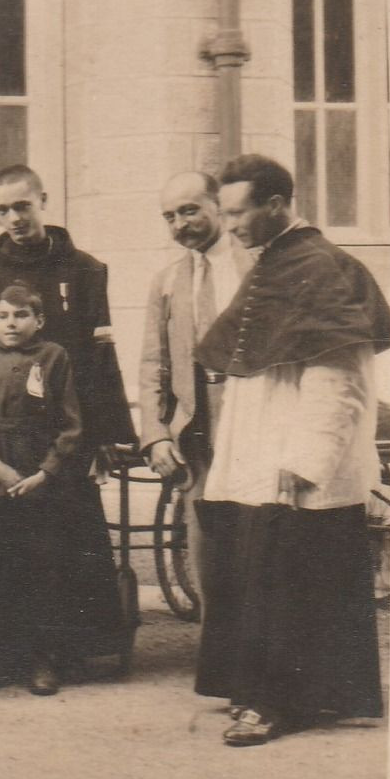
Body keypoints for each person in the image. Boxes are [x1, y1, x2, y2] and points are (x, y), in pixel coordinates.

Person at [194, 155, 390, 746]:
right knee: (263, 574)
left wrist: (305, 461)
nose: (228, 225)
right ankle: (274, 693)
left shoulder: (321, 267)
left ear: (276, 205)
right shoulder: (274, 262)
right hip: (259, 449)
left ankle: (276, 705)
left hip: (299, 459)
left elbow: (341, 377)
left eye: (237, 212)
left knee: (289, 580)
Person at [0, 164, 134, 674]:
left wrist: (108, 434)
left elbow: (102, 358)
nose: (14, 218)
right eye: (3, 210)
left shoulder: (85, 270)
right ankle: (0, 652)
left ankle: (59, 652)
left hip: (62, 442)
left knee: (58, 546)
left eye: (23, 206)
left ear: (43, 202)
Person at [0, 282, 86, 696]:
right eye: (4, 316)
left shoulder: (53, 357)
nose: (12, 324)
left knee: (41, 569)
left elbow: (72, 426)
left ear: (39, 320)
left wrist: (45, 473)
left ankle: (42, 659)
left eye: (22, 315)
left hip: (39, 483)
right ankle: (1, 658)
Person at [138, 171, 254, 619]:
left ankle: (263, 657)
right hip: (197, 430)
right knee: (206, 542)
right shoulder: (167, 281)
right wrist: (156, 435)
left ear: (217, 207)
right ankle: (220, 657)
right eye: (169, 216)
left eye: (189, 210)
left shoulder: (256, 266)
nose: (179, 224)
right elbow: (153, 363)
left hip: (251, 420)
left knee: (257, 537)